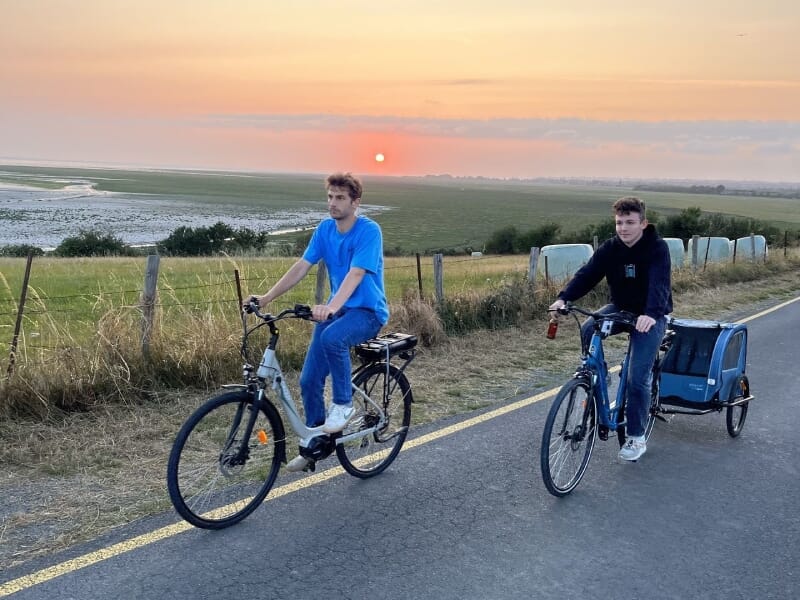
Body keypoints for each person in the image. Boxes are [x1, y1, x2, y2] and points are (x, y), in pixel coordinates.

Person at [246, 172, 388, 472]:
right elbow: (302, 266)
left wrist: (331, 307)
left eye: (339, 198)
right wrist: (267, 298)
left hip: (367, 312)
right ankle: (316, 443)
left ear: (355, 202)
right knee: (308, 380)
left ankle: (343, 404)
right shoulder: (325, 230)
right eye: (329, 197)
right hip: (338, 311)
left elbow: (356, 274)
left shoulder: (369, 231)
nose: (332, 203)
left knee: (332, 338)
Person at [548, 196, 672, 461]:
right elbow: (588, 274)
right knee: (589, 328)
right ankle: (599, 378)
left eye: (629, 222)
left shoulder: (657, 248)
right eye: (619, 223)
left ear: (643, 223)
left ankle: (636, 438)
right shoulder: (611, 248)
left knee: (636, 380)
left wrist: (650, 314)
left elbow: (659, 284)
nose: (623, 228)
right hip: (621, 308)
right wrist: (564, 298)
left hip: (652, 315)